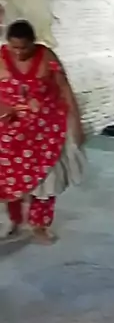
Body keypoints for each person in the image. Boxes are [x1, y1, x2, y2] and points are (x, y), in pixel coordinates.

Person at [0, 19, 85, 243]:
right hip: (10, 133)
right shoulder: (0, 57)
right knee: (9, 180)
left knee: (47, 179)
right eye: (14, 47)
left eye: (24, 48)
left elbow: (64, 89)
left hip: (46, 131)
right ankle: (15, 220)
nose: (19, 53)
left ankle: (39, 225)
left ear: (34, 42)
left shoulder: (47, 56)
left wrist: (76, 123)